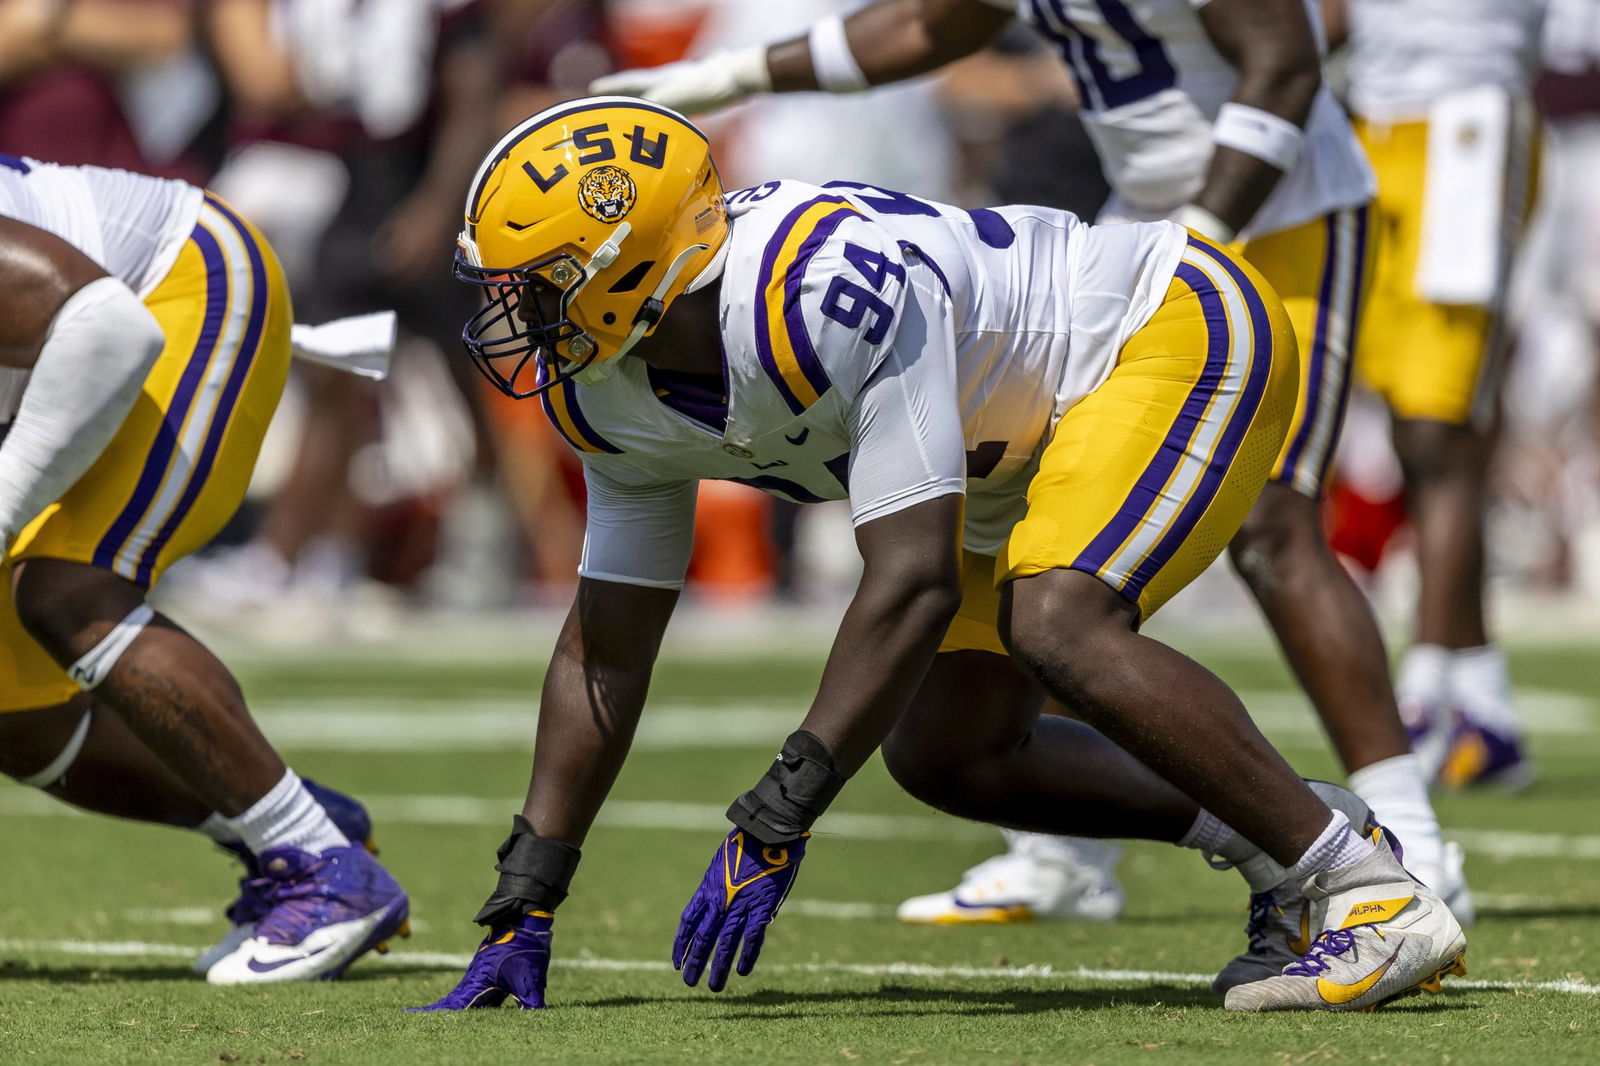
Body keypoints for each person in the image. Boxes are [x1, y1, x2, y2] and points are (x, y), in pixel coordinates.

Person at [415, 98, 1466, 1014]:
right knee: (951, 749)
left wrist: (778, 813)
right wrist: (525, 895)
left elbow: (911, 579)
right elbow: (605, 649)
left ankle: (1371, 896)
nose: (511, 313)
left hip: (1156, 331)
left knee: (1059, 623)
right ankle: (1290, 840)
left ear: (632, 265)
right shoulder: (605, 393)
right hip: (1006, 440)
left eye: (539, 283)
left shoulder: (814, 292)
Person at [0, 153, 408, 984]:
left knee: (68, 588)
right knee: (12, 703)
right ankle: (290, 818)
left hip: (180, 286)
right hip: (74, 348)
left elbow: (103, 327)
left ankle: (325, 870)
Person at [1338, 0, 1548, 789]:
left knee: (1439, 425)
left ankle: (1426, 689)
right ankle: (1483, 703)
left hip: (1469, 117)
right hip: (1368, 119)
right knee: (1407, 421)